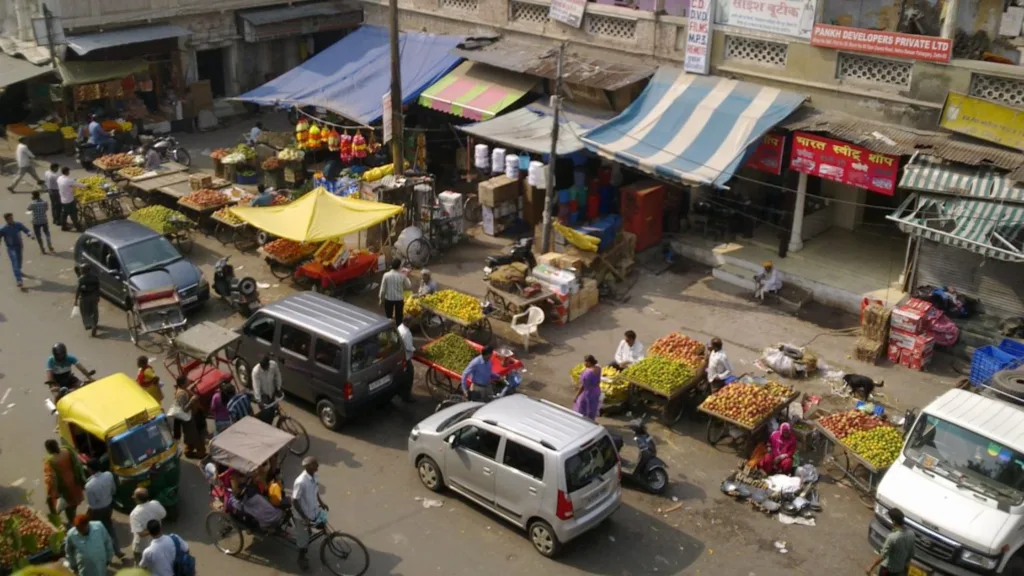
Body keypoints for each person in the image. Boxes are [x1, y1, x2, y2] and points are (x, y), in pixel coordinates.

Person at [84, 460, 124, 560]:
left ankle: (104, 554)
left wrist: (88, 516)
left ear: (90, 469)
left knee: (96, 531)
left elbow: (92, 505)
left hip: (97, 511)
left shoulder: (89, 486)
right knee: (109, 527)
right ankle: (117, 551)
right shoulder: (108, 475)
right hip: (109, 506)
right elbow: (113, 490)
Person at [293, 456, 328, 569]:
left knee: (322, 523)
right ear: (308, 467)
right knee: (303, 541)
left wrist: (321, 503)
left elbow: (315, 490)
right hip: (303, 514)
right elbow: (295, 501)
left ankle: (309, 531)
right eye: (315, 464)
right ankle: (301, 558)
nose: (317, 466)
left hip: (313, 509)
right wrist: (304, 518)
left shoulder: (315, 476)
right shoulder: (301, 482)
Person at [43, 439, 86, 526]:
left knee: (67, 506)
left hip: (65, 489)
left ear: (48, 449)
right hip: (75, 484)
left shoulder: (50, 461)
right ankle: (72, 519)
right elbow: (77, 464)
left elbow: (50, 480)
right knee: (73, 505)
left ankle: (73, 522)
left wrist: (50, 494)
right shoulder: (66, 451)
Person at [866, 507, 916, 575]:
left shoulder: (892, 538)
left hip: (888, 569)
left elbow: (883, 556)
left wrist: (871, 567)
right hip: (900, 570)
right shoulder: (911, 534)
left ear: (894, 522)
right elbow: (911, 553)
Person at [172, 376, 205, 458]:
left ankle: (188, 452)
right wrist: (192, 400)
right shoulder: (181, 395)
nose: (189, 381)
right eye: (187, 381)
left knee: (191, 439)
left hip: (192, 419)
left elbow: (187, 390)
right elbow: (184, 409)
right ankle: (201, 454)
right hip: (189, 422)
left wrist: (194, 384)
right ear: (183, 384)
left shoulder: (183, 390)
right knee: (197, 440)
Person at [129, 488, 166, 562]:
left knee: (140, 565)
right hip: (155, 542)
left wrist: (151, 529)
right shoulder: (155, 504)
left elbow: (140, 533)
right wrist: (155, 528)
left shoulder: (135, 514)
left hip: (142, 546)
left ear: (137, 499)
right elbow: (163, 515)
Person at [0, 212, 33, 288]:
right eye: (9, 219)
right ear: (6, 220)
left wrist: (30, 234)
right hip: (11, 248)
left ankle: (19, 271)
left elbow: (26, 230)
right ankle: (19, 280)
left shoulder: (18, 224)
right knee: (15, 262)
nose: (11, 220)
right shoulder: (3, 229)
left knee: (19, 261)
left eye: (12, 218)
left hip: (19, 246)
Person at [251, 354, 283, 424]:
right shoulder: (256, 372)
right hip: (263, 396)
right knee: (267, 416)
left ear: (268, 363)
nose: (264, 368)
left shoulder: (273, 365)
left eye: (265, 366)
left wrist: (278, 388)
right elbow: (256, 387)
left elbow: (278, 375)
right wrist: (259, 401)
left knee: (273, 409)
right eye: (262, 366)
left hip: (272, 392)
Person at [379, 258, 411, 326]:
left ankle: (389, 330)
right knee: (399, 318)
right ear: (399, 266)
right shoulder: (402, 276)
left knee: (388, 318)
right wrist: (406, 276)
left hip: (389, 299)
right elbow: (408, 286)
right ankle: (399, 331)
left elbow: (383, 290)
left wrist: (381, 300)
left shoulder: (386, 275)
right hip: (399, 300)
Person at [74, 264, 102, 336]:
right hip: (94, 297)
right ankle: (95, 324)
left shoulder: (81, 279)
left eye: (82, 269)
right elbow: (98, 287)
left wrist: (75, 300)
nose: (80, 270)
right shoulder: (95, 277)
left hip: (84, 298)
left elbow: (78, 290)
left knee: (85, 313)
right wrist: (98, 296)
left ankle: (91, 325)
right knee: (94, 311)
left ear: (84, 270)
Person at [573, 355, 602, 421]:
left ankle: (583, 422)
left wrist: (577, 396)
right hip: (596, 391)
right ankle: (591, 420)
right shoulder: (598, 368)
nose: (584, 363)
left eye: (585, 362)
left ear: (589, 362)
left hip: (588, 393)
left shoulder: (588, 373)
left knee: (582, 407)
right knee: (592, 408)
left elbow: (583, 386)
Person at [396, 316, 416, 403]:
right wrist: (420, 351)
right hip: (406, 358)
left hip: (400, 356)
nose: (412, 324)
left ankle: (400, 393)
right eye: (411, 322)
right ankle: (406, 396)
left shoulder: (400, 327)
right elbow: (409, 348)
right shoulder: (406, 333)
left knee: (402, 376)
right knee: (409, 376)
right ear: (407, 323)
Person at [58, 166, 86, 231]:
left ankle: (63, 226)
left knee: (64, 213)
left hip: (62, 199)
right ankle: (77, 226)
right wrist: (86, 185)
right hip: (69, 200)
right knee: (73, 213)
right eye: (68, 171)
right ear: (67, 172)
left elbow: (70, 183)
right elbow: (79, 185)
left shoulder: (59, 178)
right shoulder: (68, 180)